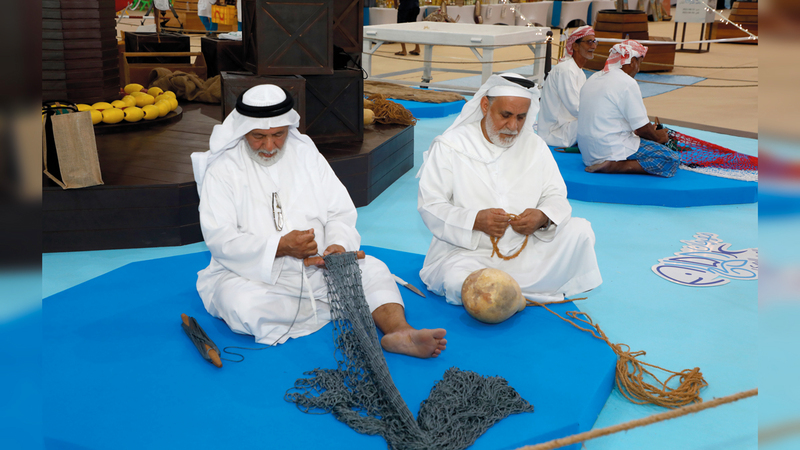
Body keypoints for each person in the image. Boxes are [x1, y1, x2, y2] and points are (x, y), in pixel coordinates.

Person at [190, 84, 447, 358]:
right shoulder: (224, 170)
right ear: (243, 131)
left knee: (374, 270)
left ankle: (400, 332)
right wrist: (280, 247)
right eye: (258, 137)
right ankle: (349, 305)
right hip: (253, 277)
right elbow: (221, 241)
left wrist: (337, 245)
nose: (269, 146)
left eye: (278, 135)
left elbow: (339, 211)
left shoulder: (306, 155)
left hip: (322, 268)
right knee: (243, 305)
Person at [416, 73, 602, 306]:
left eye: (521, 118)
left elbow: (555, 194)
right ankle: (519, 293)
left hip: (526, 249)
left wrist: (543, 217)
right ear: (485, 106)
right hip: (468, 253)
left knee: (580, 232)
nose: (513, 127)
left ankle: (506, 295)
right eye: (505, 115)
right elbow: (430, 206)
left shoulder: (535, 146)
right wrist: (475, 220)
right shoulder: (451, 145)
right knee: (458, 280)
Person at [577, 40, 679, 177]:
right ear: (632, 62)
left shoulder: (593, 78)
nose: (638, 69)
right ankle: (616, 166)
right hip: (610, 150)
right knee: (670, 159)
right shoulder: (626, 82)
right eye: (639, 63)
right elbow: (642, 129)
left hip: (588, 154)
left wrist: (649, 133)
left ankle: (611, 163)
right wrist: (658, 137)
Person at [537, 25, 596, 148]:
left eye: (595, 42)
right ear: (575, 46)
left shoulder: (579, 72)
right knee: (603, 120)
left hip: (570, 126)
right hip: (556, 132)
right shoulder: (566, 70)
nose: (593, 46)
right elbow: (576, 108)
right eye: (589, 42)